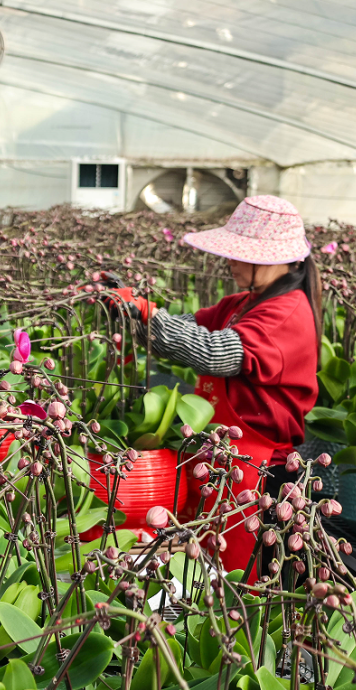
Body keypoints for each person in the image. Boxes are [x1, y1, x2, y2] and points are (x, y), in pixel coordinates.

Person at [111, 195, 320, 580]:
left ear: (276, 259)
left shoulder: (288, 312)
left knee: (239, 586)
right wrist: (131, 311)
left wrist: (148, 314)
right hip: (222, 461)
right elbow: (183, 330)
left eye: (242, 254)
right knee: (202, 574)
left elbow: (215, 353)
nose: (231, 262)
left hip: (259, 477)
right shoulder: (242, 303)